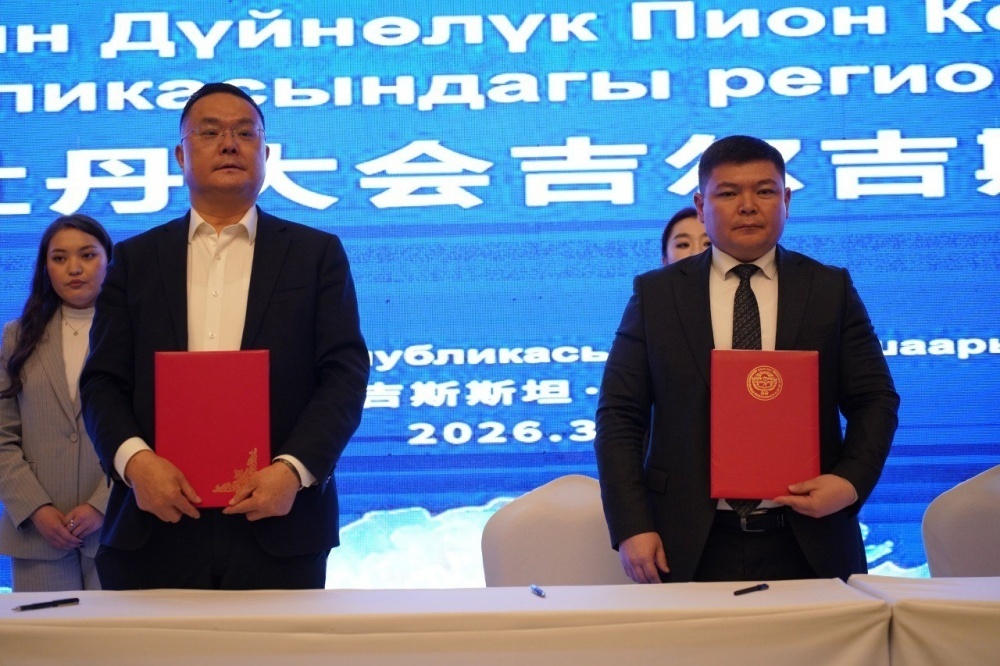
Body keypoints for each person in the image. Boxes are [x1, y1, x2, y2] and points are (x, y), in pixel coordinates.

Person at [80, 82, 370, 590]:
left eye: (245, 133)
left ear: (266, 154)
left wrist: (294, 470)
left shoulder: (315, 254)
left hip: (280, 521)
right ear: (180, 155)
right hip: (155, 522)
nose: (229, 144)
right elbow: (102, 382)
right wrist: (136, 463)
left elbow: (344, 376)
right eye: (210, 132)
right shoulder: (136, 259)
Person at [595, 135, 899, 583]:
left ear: (786, 201)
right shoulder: (658, 294)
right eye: (728, 193)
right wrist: (631, 525)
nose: (748, 206)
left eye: (765, 191)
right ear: (701, 206)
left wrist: (850, 482)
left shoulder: (827, 289)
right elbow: (620, 414)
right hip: (687, 541)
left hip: (810, 537)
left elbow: (874, 399)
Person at [0, 214, 113, 591]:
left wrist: (102, 505)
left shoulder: (135, 332)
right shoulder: (18, 337)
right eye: (59, 258)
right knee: (45, 631)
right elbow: (2, 436)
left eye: (87, 255)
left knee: (117, 631)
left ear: (109, 260)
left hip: (116, 529)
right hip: (38, 535)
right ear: (45, 267)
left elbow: (155, 431)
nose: (74, 268)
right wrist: (35, 508)